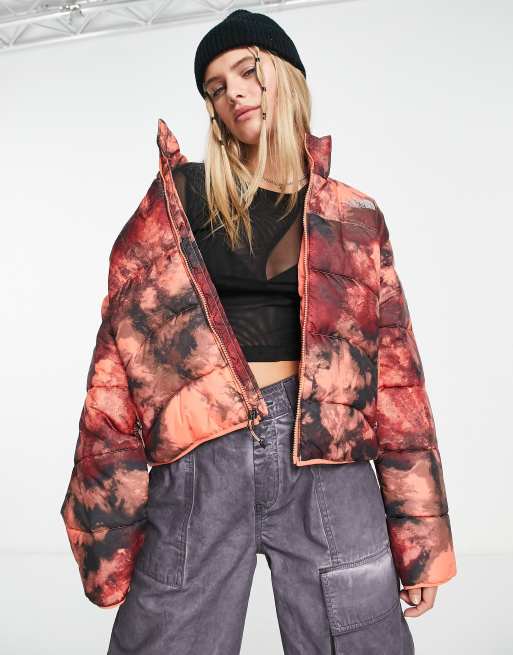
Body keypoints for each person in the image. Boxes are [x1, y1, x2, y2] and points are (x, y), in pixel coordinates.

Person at [60, 8, 457, 654]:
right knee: (167, 641)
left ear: (287, 77)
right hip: (202, 457)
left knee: (359, 641)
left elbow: (396, 380)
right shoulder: (179, 199)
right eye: (216, 87)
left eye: (248, 72)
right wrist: (107, 528)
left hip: (328, 460)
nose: (234, 93)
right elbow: (117, 361)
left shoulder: (354, 216)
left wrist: (421, 538)